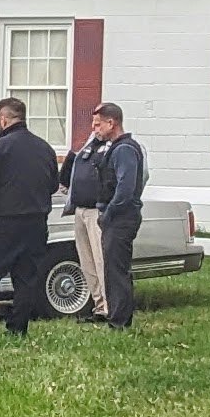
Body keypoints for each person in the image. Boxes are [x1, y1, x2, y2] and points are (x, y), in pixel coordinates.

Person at [0, 96, 59, 341]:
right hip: (37, 222)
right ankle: (18, 328)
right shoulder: (45, 148)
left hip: (5, 221)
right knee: (27, 278)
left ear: (3, 119)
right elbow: (53, 185)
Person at [64, 101, 148, 328]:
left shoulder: (124, 149)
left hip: (119, 219)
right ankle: (110, 313)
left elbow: (125, 189)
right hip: (108, 215)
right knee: (110, 268)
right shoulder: (111, 148)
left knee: (115, 270)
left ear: (112, 123)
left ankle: (119, 319)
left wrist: (107, 213)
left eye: (98, 124)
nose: (94, 129)